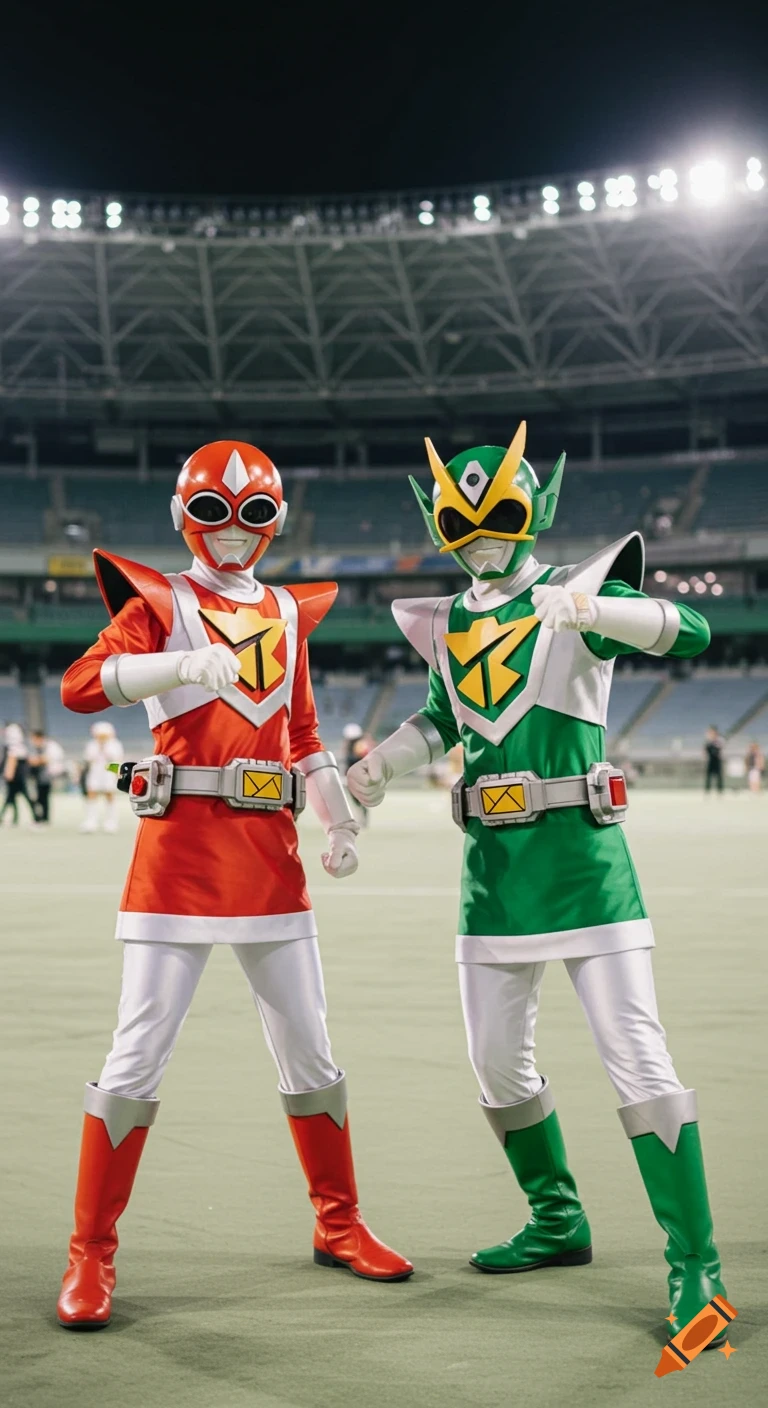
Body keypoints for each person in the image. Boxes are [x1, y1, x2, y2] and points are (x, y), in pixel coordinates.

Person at [348, 423, 726, 1341]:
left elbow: (693, 630)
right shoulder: (449, 621)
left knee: (637, 1059)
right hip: (493, 873)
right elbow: (443, 717)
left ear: (533, 512)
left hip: (588, 868)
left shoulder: (574, 594)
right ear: (440, 526)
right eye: (460, 519)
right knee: (494, 1064)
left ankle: (696, 1267)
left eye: (500, 513)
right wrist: (381, 765)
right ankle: (557, 1219)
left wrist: (599, 613)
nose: (479, 533)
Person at [56, 439, 412, 1332]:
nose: (232, 532)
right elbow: (80, 687)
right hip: (176, 857)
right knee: (136, 1055)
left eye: (253, 514)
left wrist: (338, 819)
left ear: (277, 520)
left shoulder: (288, 614)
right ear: (183, 516)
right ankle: (90, 1255)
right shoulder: (162, 602)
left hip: (271, 862)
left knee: (312, 1054)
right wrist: (177, 665)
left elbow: (301, 732)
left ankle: (341, 1224)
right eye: (212, 512)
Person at [81, 721, 124, 832]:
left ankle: (111, 822)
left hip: (109, 772)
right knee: (91, 795)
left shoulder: (115, 744)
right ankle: (91, 821)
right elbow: (89, 758)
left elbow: (116, 759)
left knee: (109, 795)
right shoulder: (92, 744)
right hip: (95, 773)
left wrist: (116, 774)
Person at [1, 722, 37, 826]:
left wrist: (8, 774)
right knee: (12, 799)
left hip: (15, 779)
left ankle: (35, 817)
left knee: (11, 798)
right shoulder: (22, 748)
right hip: (20, 778)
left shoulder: (13, 748)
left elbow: (12, 762)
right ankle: (16, 818)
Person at [28, 728, 65, 823]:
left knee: (42, 797)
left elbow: (46, 759)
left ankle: (44, 817)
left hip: (47, 775)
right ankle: (42, 817)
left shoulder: (50, 746)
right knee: (40, 797)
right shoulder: (38, 747)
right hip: (39, 776)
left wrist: (37, 760)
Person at [704, 725, 724, 793]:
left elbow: (720, 748)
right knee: (708, 776)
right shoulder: (708, 740)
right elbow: (705, 749)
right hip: (710, 760)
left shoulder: (719, 740)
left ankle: (720, 789)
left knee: (719, 776)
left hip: (717, 760)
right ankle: (707, 789)